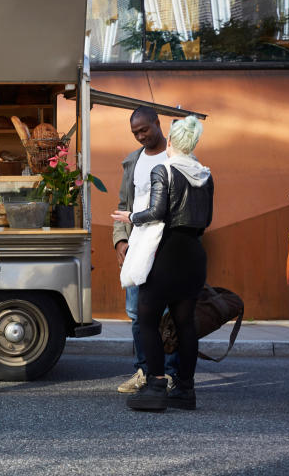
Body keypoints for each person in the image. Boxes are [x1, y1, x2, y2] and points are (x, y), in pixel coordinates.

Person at [111, 115, 212, 412]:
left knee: (147, 318)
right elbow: (205, 221)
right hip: (194, 253)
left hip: (166, 253)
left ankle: (155, 386)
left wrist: (129, 217)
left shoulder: (162, 169)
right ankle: (185, 390)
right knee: (184, 323)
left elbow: (155, 212)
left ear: (169, 141)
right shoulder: (206, 173)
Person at [112, 106, 179, 394]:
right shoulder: (133, 161)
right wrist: (120, 240)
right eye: (135, 133)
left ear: (158, 123)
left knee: (167, 314)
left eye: (144, 130)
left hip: (166, 246)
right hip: (137, 246)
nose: (140, 136)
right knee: (137, 313)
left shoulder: (178, 158)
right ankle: (144, 371)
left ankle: (170, 373)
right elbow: (123, 205)